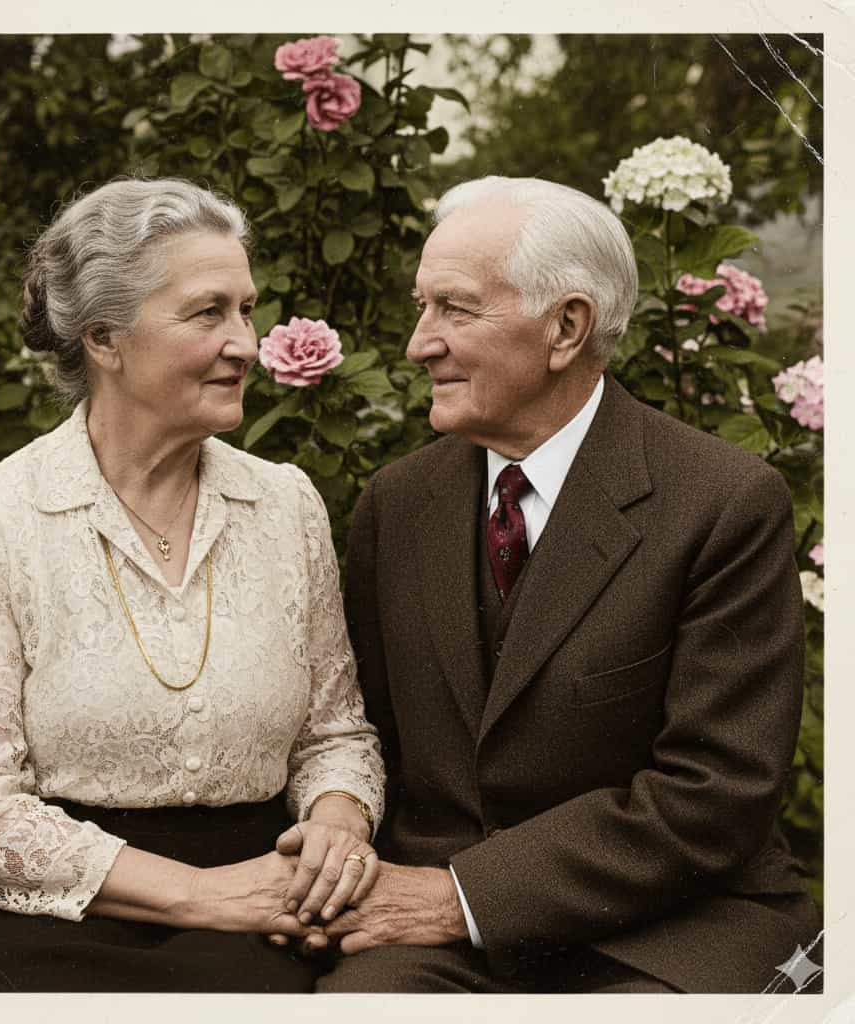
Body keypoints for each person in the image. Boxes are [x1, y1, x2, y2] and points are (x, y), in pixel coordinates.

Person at [316, 176, 821, 993]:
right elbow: (373, 742)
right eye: (421, 306)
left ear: (566, 327)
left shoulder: (724, 502)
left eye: (455, 307)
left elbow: (716, 793)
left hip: (670, 927)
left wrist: (466, 898)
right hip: (435, 937)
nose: (419, 343)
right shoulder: (398, 505)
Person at [0, 177, 384, 993]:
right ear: (104, 339)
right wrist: (200, 895)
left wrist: (336, 820)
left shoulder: (284, 503)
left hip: (263, 895)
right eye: (207, 312)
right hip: (41, 914)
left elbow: (335, 734)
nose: (246, 343)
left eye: (246, 309)